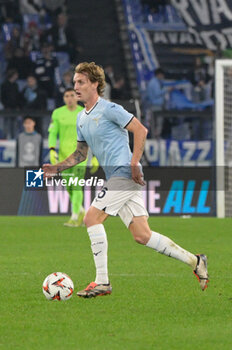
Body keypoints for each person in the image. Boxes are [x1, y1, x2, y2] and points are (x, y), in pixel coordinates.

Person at [43, 62, 209, 298]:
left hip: (125, 172)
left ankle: (102, 282)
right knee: (142, 235)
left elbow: (140, 130)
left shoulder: (110, 109)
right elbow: (81, 153)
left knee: (91, 218)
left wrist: (134, 162)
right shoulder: (81, 118)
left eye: (80, 82)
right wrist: (57, 168)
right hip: (117, 176)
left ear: (95, 84)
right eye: (74, 83)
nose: (76, 87)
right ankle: (196, 261)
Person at [48, 88, 87, 227]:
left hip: (80, 155)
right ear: (64, 98)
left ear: (77, 97)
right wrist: (52, 149)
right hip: (64, 156)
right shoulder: (58, 113)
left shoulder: (83, 112)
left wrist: (95, 155)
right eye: (66, 96)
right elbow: (53, 133)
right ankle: (82, 211)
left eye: (72, 95)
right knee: (69, 186)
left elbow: (91, 135)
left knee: (76, 186)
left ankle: (75, 217)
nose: (69, 98)